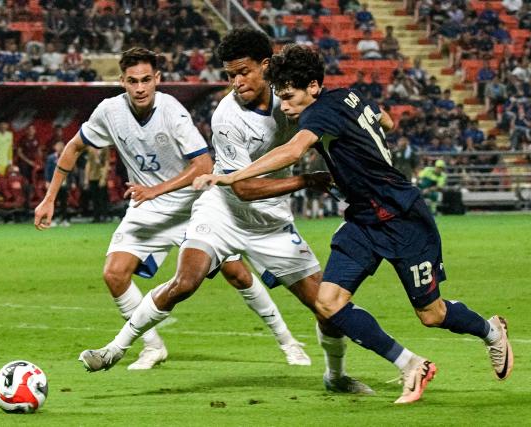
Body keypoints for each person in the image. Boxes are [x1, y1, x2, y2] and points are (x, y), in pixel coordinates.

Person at [195, 44, 514, 403]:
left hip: (403, 218)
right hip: (363, 220)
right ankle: (411, 365)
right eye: (280, 97)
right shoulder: (346, 96)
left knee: (432, 314)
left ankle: (491, 331)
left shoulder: (320, 114)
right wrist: (373, 134)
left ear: (313, 87)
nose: (284, 107)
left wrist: (230, 176)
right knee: (328, 302)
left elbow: (292, 152)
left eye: (289, 97)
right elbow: (385, 120)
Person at [78, 31, 374, 396]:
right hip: (223, 211)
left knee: (326, 306)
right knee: (185, 281)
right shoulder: (227, 117)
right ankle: (115, 349)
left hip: (272, 220)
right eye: (230, 75)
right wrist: (307, 180)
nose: (236, 82)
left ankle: (336, 376)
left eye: (243, 72)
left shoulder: (293, 100)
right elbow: (244, 188)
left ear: (266, 67)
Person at [35, 47, 310, 370]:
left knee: (236, 273)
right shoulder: (109, 111)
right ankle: (152, 347)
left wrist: (156, 189)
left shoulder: (172, 112)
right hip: (146, 207)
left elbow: (203, 164)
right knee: (114, 274)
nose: (140, 88)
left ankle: (288, 342)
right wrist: (49, 197)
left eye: (147, 80)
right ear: (122, 81)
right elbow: (74, 146)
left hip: (189, 206)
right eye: (133, 81)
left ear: (158, 80)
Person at [43, 141, 71, 228]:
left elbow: (70, 169)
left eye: (62, 146)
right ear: (55, 147)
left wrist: (72, 181)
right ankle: (52, 220)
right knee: (53, 202)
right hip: (53, 183)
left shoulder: (66, 156)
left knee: (64, 203)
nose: (60, 147)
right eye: (58, 146)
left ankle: (64, 220)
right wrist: (47, 181)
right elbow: (47, 170)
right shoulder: (51, 158)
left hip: (64, 183)